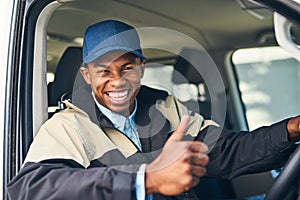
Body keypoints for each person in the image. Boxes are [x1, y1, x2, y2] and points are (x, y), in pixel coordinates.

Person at [7, 20, 300, 200]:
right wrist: (146, 179)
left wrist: (289, 130)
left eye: (127, 68)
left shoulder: (164, 106)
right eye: (103, 71)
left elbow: (226, 151)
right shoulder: (67, 127)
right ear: (86, 74)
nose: (117, 81)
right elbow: (30, 189)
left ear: (141, 68)